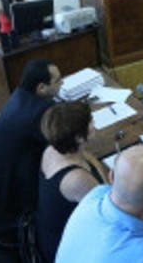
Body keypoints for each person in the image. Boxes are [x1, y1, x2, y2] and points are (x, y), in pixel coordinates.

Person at [0, 59, 63, 215]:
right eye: (58, 80)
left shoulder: (20, 94)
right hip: (13, 194)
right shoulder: (38, 112)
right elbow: (62, 141)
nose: (62, 83)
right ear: (41, 87)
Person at [35, 101, 108, 262]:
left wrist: (103, 181)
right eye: (90, 122)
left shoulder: (53, 149)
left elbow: (87, 157)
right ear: (79, 137)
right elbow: (111, 213)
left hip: (52, 232)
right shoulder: (77, 180)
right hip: (67, 251)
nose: (94, 123)